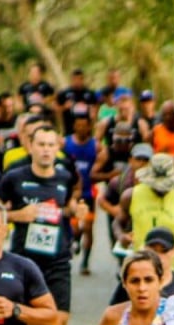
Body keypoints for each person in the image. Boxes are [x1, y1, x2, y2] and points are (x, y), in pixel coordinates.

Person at [0, 124, 87, 325]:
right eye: (41, 144)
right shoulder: (14, 178)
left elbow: (72, 201)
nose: (46, 150)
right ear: (30, 147)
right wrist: (20, 216)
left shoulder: (64, 175)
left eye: (51, 144)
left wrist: (77, 209)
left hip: (58, 261)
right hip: (25, 263)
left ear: (57, 147)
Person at [116, 153, 174, 275]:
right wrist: (121, 236)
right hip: (141, 269)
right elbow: (117, 222)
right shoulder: (131, 196)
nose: (160, 189)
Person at [108, 226, 174, 305]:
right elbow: (113, 312)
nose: (158, 256)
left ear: (173, 252)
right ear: (144, 249)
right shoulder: (133, 282)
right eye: (153, 250)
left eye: (164, 250)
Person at [64, 104, 102, 275]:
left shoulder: (96, 146)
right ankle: (75, 239)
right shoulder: (66, 143)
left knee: (88, 227)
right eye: (77, 125)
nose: (81, 128)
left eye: (84, 125)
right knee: (74, 227)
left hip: (88, 193)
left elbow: (101, 165)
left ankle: (85, 261)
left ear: (89, 126)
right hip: (71, 193)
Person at [56, 67, 99, 135]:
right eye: (75, 79)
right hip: (69, 129)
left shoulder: (90, 93)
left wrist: (93, 114)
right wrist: (64, 107)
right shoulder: (64, 93)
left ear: (83, 79)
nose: (77, 81)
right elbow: (57, 110)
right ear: (72, 79)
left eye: (80, 79)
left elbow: (95, 109)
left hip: (86, 131)